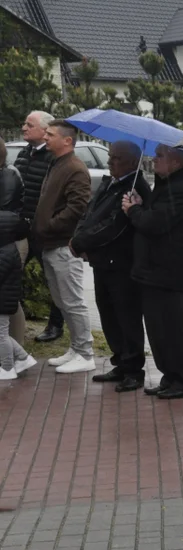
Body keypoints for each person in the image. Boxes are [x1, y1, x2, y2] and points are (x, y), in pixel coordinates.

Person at [70, 141, 151, 393]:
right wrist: (79, 236)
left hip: (122, 262)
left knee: (127, 315)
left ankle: (133, 369)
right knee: (108, 312)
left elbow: (114, 225)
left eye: (115, 158)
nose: (109, 162)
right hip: (103, 261)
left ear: (130, 162)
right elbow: (91, 213)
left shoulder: (135, 188)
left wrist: (82, 241)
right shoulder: (111, 182)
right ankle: (120, 360)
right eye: (111, 157)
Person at [123, 145, 183, 399]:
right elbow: (155, 214)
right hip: (154, 269)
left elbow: (155, 223)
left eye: (160, 156)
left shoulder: (181, 189)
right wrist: (140, 204)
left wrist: (133, 210)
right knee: (158, 329)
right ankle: (170, 376)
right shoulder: (168, 184)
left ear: (177, 162)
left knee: (172, 328)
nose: (153, 160)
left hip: (169, 272)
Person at [34, 120, 95, 374]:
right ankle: (76, 347)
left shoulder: (75, 168)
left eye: (50, 134)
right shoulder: (56, 163)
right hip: (50, 244)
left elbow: (78, 206)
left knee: (72, 301)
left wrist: (49, 225)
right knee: (61, 301)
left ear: (67, 140)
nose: (45, 137)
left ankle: (86, 353)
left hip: (63, 245)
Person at [13, 110, 65, 344]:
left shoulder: (53, 158)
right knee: (13, 274)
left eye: (29, 124)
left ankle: (56, 324)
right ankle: (17, 320)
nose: (24, 127)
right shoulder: (24, 154)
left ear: (45, 130)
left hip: (43, 229)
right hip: (21, 228)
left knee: (52, 278)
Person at [0, 154, 34, 380]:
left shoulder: (8, 177)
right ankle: (22, 358)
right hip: (5, 290)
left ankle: (6, 367)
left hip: (3, 293)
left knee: (0, 332)